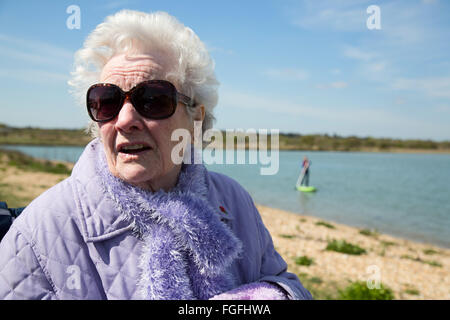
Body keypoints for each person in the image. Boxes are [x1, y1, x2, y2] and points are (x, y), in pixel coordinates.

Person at [0, 10, 312, 300]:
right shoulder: (36, 233)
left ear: (196, 120)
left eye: (153, 99)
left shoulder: (234, 200)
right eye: (106, 101)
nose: (124, 120)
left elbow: (284, 282)